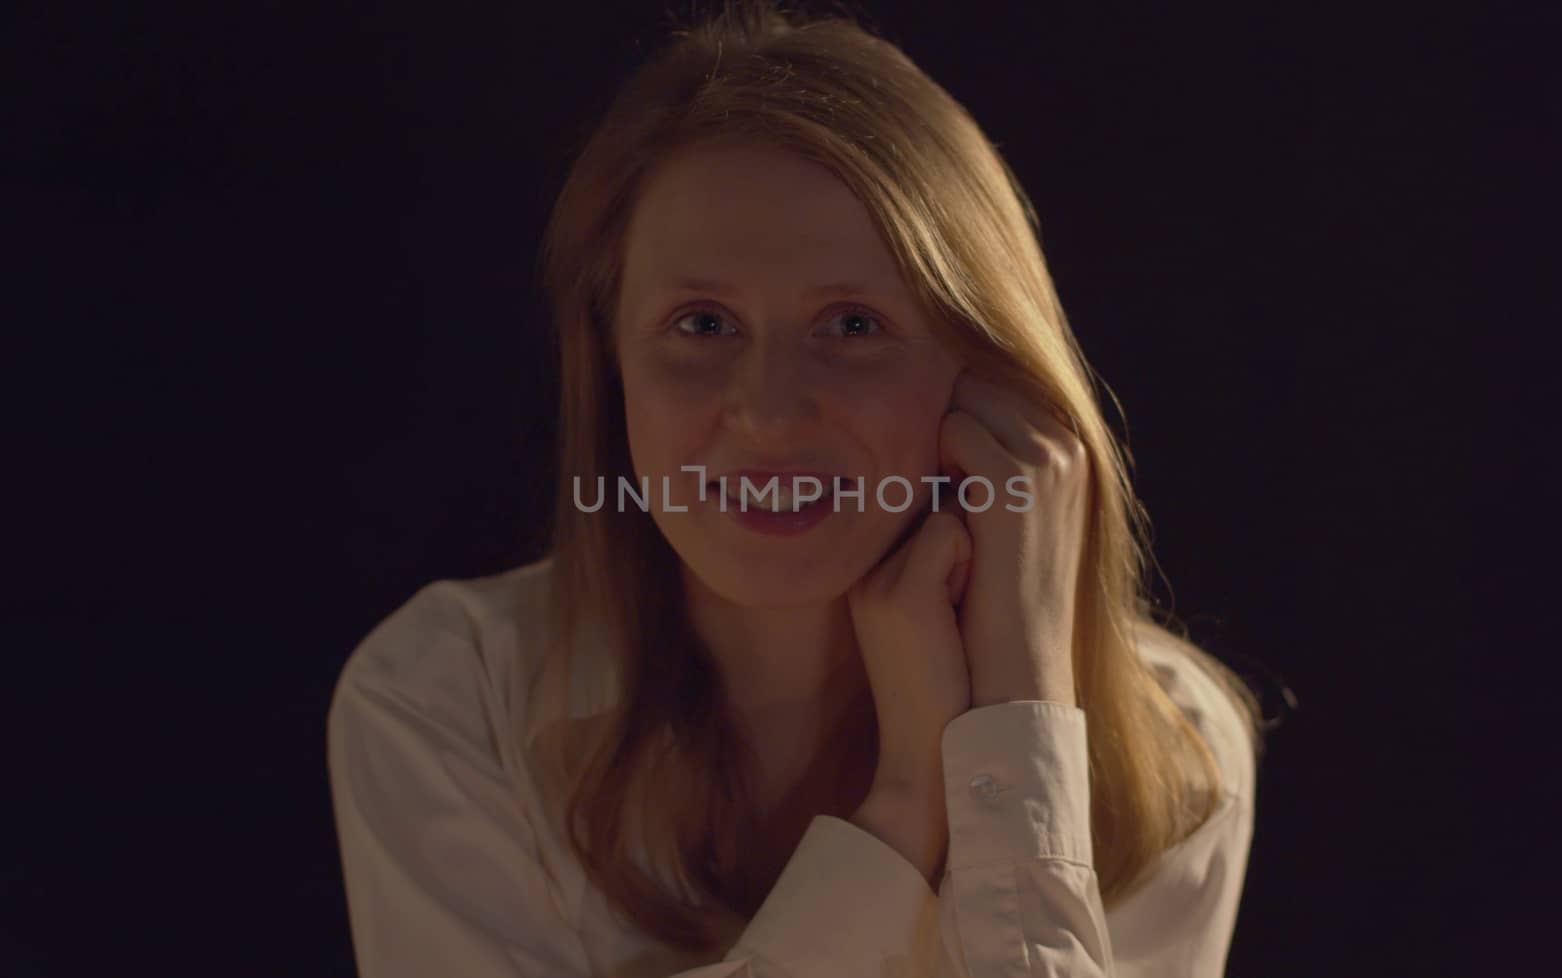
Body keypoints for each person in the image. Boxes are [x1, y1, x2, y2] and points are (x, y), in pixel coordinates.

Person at [327, 2, 1270, 975]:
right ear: (611, 369)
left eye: (851, 326)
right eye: (701, 326)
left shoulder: (1175, 754)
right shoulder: (448, 699)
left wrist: (1019, 711)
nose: (768, 413)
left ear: (989, 377)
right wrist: (906, 808)